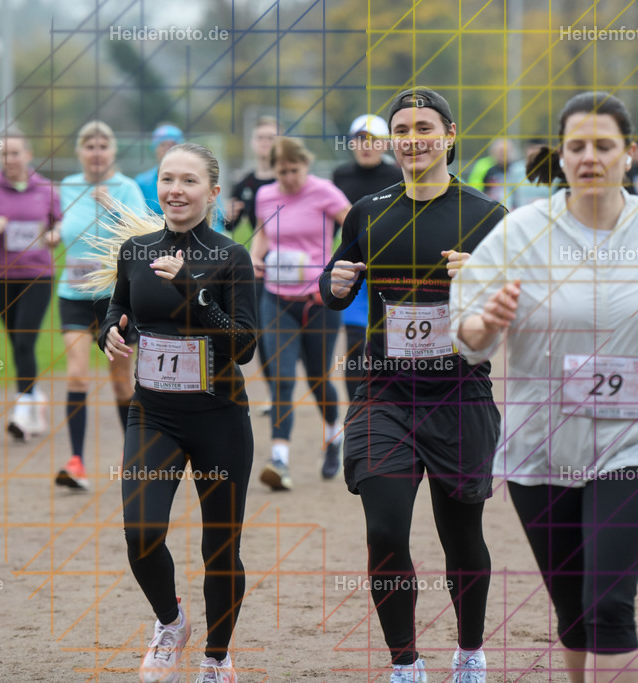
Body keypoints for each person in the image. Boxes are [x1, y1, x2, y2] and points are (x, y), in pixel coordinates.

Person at [450, 91, 638, 683]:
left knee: (608, 600)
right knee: (572, 605)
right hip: (542, 445)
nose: (590, 156)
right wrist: (486, 322)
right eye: (576, 146)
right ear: (560, 156)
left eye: (604, 145)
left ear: (630, 153)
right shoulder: (520, 233)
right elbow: (466, 327)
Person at [321, 86, 506, 683]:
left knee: (461, 537)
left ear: (450, 134)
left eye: (425, 127)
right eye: (402, 129)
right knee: (383, 527)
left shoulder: (487, 217)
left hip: (460, 393)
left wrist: (481, 277)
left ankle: (470, 653)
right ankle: (406, 663)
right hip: (385, 392)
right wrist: (336, 281)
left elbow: (524, 302)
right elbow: (334, 283)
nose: (413, 139)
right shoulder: (368, 211)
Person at [96, 142, 257, 683]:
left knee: (221, 546)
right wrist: (109, 330)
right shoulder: (136, 250)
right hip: (154, 414)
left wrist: (191, 289)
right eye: (168, 179)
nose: (175, 190)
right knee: (140, 531)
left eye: (189, 181)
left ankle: (217, 657)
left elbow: (245, 345)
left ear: (212, 192)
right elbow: (121, 304)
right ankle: (171, 622)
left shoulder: (230, 257)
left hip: (219, 416)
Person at [251, 136, 351, 488]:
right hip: (277, 299)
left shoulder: (324, 192)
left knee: (317, 377)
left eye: (294, 170)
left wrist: (335, 271)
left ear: (305, 165)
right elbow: (264, 235)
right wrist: (255, 255)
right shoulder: (266, 196)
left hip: (318, 302)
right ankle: (279, 460)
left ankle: (333, 436)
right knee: (281, 377)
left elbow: (355, 228)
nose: (289, 178)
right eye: (282, 171)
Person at [54, 120, 144, 490]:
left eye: (102, 147)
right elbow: (59, 226)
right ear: (80, 152)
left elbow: (142, 234)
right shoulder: (66, 187)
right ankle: (76, 462)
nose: (96, 153)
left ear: (112, 152)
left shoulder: (127, 188)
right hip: (72, 294)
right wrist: (51, 234)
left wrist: (111, 205)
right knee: (76, 374)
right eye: (89, 147)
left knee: (121, 384)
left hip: (115, 298)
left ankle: (133, 459)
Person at [0, 131, 61, 440]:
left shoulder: (45, 189)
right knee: (18, 341)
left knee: (24, 339)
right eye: (4, 154)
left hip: (38, 275)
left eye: (15, 153)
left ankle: (23, 407)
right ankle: (36, 400)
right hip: (1, 277)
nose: (10, 159)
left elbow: (60, 222)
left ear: (28, 154)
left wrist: (54, 234)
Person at [331, 113, 403, 408]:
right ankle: (356, 413)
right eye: (360, 139)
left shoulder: (399, 176)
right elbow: (331, 225)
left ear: (385, 144)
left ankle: (393, 408)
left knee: (394, 347)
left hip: (392, 274)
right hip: (355, 274)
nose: (366, 146)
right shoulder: (340, 176)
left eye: (373, 140)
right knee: (355, 348)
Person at [227, 116, 278, 416]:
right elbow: (230, 225)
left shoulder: (288, 177)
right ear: (253, 143)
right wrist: (228, 215)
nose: (266, 143)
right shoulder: (244, 183)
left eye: (271, 137)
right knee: (260, 331)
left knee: (282, 330)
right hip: (258, 268)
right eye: (261, 137)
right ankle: (275, 394)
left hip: (291, 269)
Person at [135, 123, 185, 215]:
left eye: (172, 145)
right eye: (163, 145)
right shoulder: (142, 182)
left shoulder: (198, 179)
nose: (168, 150)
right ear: (155, 148)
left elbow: (216, 220)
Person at [505, 138, 553, 210]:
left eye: (539, 149)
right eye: (532, 149)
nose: (535, 152)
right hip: (520, 213)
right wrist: (507, 209)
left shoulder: (554, 171)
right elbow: (507, 193)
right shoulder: (515, 170)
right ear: (526, 150)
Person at [466, 137, 515, 203]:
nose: (503, 154)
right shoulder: (483, 165)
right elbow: (474, 187)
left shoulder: (515, 168)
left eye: (506, 151)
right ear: (493, 151)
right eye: (501, 151)